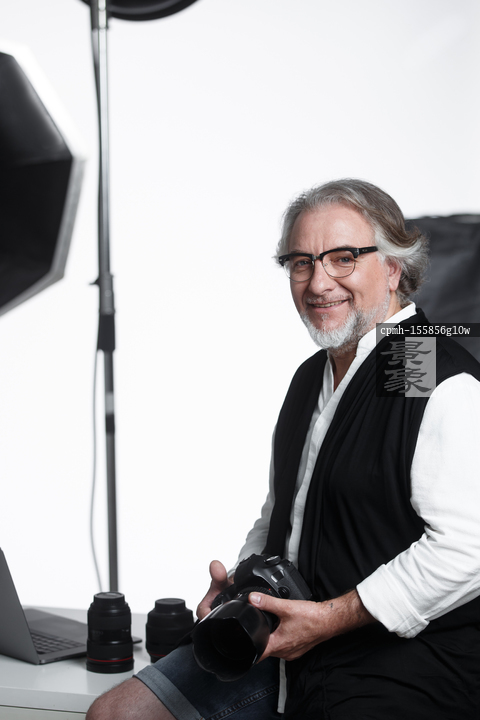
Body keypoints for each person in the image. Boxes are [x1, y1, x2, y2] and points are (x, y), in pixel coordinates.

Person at [87, 179, 480, 720]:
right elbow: (286, 510)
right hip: (285, 647)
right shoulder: (314, 376)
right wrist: (244, 585)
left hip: (395, 665)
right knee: (116, 714)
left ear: (392, 269)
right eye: (301, 263)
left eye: (344, 258)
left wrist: (331, 618)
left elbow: (468, 547)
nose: (318, 283)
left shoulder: (421, 365)